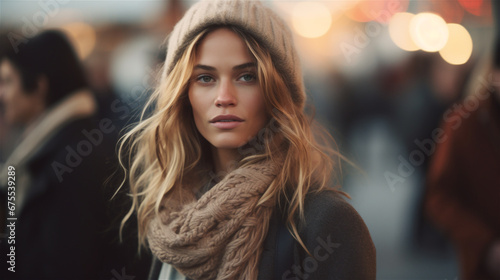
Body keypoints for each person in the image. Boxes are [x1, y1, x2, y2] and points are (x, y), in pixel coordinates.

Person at [118, 0, 376, 279]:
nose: (224, 97)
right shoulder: (167, 216)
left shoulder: (326, 223)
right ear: (183, 94)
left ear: (278, 92)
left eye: (246, 76)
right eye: (205, 78)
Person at [0, 30, 148, 280]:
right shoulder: (45, 150)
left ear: (38, 86)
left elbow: (67, 265)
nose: (1, 94)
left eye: (7, 81)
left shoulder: (71, 161)